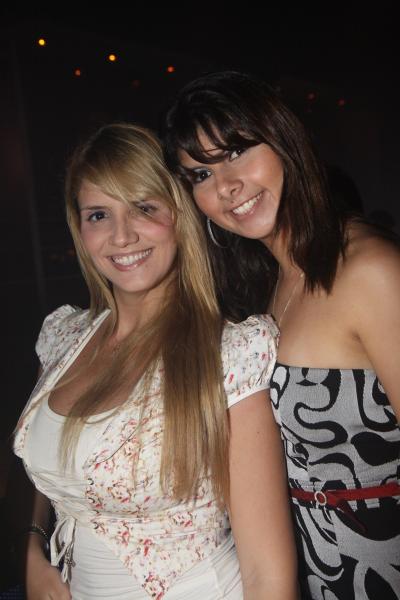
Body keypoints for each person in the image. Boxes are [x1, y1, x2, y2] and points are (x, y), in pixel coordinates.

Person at [13, 123, 298, 600]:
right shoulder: (62, 336)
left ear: (179, 215)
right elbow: (42, 464)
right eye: (99, 214)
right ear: (79, 229)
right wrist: (29, 546)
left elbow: (268, 574)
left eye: (144, 208)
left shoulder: (230, 353)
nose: (122, 236)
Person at [162, 71, 400, 600]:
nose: (226, 186)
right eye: (200, 174)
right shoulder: (271, 286)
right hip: (316, 571)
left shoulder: (371, 271)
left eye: (236, 152)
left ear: (284, 139)